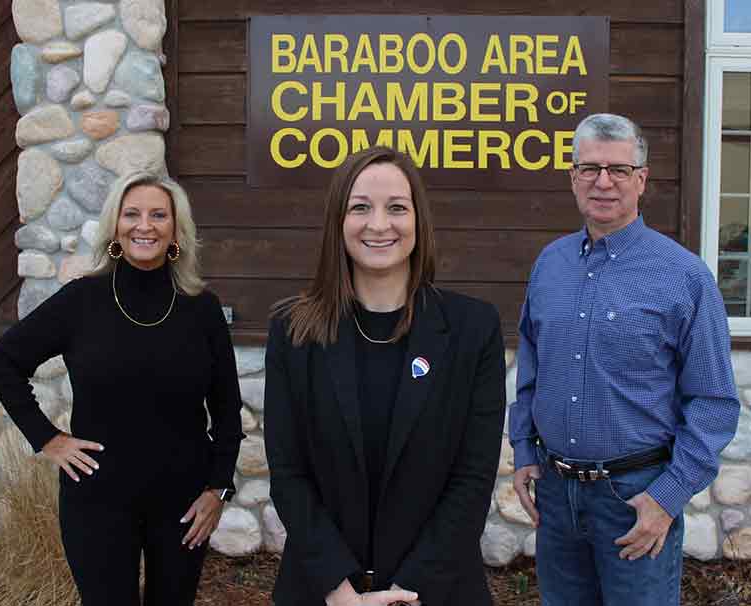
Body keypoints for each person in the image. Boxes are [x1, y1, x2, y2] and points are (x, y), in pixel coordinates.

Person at [510, 113, 740, 605]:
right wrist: (524, 450)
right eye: (589, 168)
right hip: (557, 494)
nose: (603, 181)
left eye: (618, 169)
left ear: (641, 179)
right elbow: (532, 367)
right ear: (573, 178)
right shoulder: (549, 265)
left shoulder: (684, 276)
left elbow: (714, 402)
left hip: (637, 497)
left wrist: (667, 498)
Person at [0, 172, 244, 606]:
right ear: (115, 226)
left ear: (176, 230)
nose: (145, 226)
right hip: (97, 501)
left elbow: (227, 409)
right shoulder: (81, 301)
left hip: (183, 504)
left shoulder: (202, 308)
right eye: (132, 214)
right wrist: (48, 439)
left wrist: (218, 489)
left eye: (159, 215)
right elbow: (3, 361)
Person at [263, 146, 506, 606]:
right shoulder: (293, 331)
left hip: (436, 591)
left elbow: (472, 480)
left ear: (419, 221)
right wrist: (339, 589)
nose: (379, 224)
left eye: (396, 207)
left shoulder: (472, 329)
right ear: (339, 221)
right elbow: (289, 474)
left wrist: (406, 592)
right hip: (323, 593)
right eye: (360, 207)